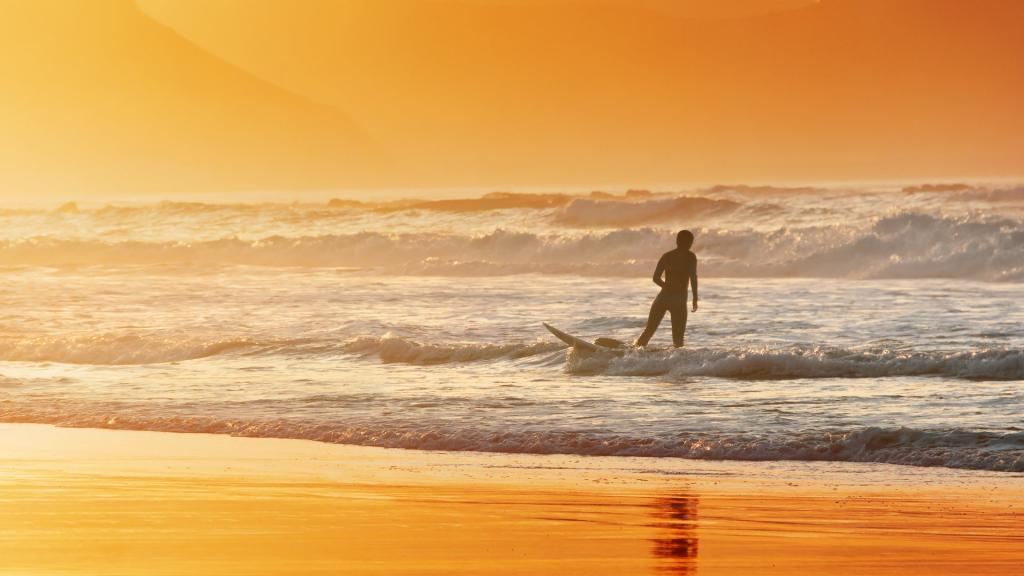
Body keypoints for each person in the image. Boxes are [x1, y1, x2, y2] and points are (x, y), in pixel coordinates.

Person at [635, 230, 698, 348]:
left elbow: (655, 278)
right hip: (679, 300)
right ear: (689, 242)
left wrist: (667, 286)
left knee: (649, 331)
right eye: (691, 242)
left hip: (663, 297)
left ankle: (633, 353)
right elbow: (693, 278)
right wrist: (695, 298)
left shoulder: (667, 256)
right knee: (678, 339)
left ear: (677, 241)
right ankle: (678, 363)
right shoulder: (690, 257)